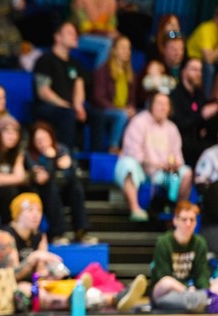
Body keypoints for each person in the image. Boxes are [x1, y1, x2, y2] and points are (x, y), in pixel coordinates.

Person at [0, 192, 147, 313]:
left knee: (73, 283)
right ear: (17, 215)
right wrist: (33, 258)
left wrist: (51, 273)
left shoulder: (38, 236)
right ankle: (88, 300)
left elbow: (40, 272)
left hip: (33, 285)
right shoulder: (4, 237)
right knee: (28, 290)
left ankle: (114, 298)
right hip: (5, 289)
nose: (36, 215)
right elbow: (9, 277)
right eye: (30, 210)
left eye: (38, 210)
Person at [115, 92, 192, 222]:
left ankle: (178, 213)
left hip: (165, 175)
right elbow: (135, 154)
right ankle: (135, 208)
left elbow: (178, 156)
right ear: (151, 106)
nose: (163, 107)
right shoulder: (139, 122)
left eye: (166, 104)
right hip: (141, 171)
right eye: (160, 104)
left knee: (186, 173)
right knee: (128, 164)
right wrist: (157, 164)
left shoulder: (172, 128)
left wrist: (174, 165)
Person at [32, 21, 103, 152]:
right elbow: (43, 91)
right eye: (70, 33)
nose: (75, 36)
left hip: (69, 106)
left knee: (97, 115)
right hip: (47, 106)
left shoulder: (75, 63)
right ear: (58, 37)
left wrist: (78, 105)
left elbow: (79, 86)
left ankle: (96, 158)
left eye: (75, 33)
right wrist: (66, 105)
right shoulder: (45, 60)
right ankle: (67, 157)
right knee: (68, 114)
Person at [26, 121, 97, 244]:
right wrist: (51, 159)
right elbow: (41, 179)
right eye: (38, 140)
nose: (42, 143)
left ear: (51, 136)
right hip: (44, 194)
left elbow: (72, 173)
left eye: (44, 138)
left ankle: (81, 231)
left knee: (76, 187)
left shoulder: (62, 148)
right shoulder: (31, 156)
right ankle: (58, 233)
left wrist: (70, 166)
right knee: (51, 188)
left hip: (64, 190)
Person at [150, 200, 218, 313]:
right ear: (175, 221)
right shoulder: (164, 242)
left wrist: (204, 289)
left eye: (192, 220)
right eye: (184, 219)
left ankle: (201, 300)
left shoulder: (199, 243)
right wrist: (187, 289)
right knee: (167, 281)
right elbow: (162, 275)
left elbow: (201, 273)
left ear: (196, 222)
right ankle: (202, 301)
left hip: (193, 291)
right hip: (170, 290)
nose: (188, 224)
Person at [92, 35, 137, 154]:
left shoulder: (130, 73)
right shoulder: (103, 70)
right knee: (122, 115)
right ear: (114, 50)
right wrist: (120, 109)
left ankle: (134, 150)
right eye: (123, 48)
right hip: (104, 110)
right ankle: (113, 147)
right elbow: (99, 98)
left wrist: (131, 109)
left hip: (122, 109)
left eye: (128, 48)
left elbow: (131, 99)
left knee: (142, 116)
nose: (127, 51)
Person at [170, 57, 218, 168]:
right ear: (183, 72)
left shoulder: (198, 94)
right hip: (182, 142)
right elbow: (180, 125)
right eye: (194, 69)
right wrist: (201, 115)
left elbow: (205, 118)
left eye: (200, 70)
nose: (198, 73)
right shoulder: (175, 95)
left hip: (198, 139)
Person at [186, 6, 218, 98]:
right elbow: (208, 59)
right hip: (191, 59)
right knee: (209, 68)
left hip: (206, 61)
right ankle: (206, 99)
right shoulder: (206, 29)